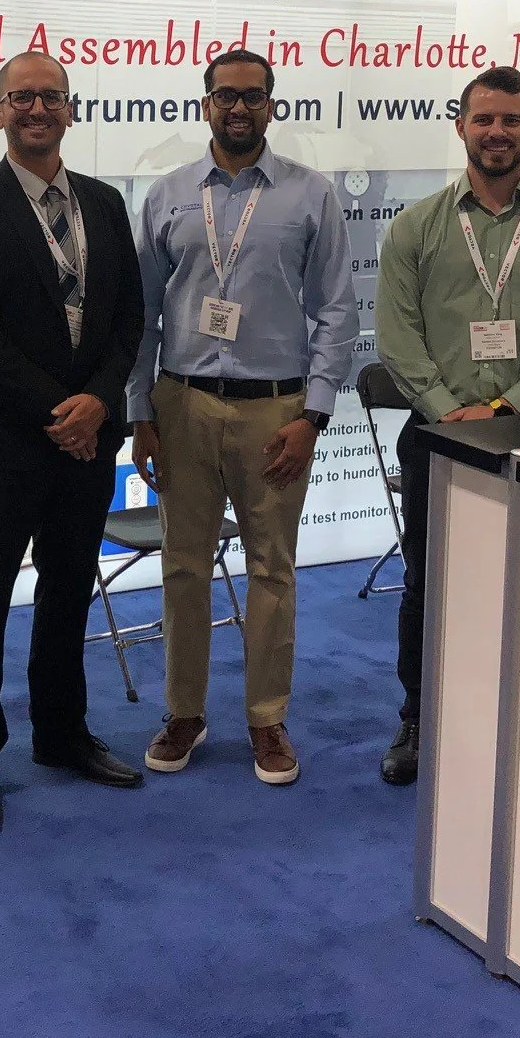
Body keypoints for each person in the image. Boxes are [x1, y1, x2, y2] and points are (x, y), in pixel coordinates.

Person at [0, 51, 148, 832]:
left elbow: (128, 317)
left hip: (88, 441)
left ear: (70, 110)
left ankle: (60, 733)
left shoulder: (104, 203)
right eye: (20, 96)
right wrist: (65, 411)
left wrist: (101, 401)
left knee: (67, 591)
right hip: (2, 441)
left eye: (50, 96)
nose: (36, 109)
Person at [373, 65, 520, 785]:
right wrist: (452, 412)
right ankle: (421, 717)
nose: (496, 132)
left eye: (510, 119)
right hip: (439, 436)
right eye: (483, 119)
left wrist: (503, 411)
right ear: (461, 127)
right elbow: (398, 337)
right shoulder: (417, 227)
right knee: (429, 581)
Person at [128, 51, 356, 785]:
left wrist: (314, 414)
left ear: (271, 106)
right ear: (205, 104)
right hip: (182, 403)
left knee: (272, 569)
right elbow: (141, 313)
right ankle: (184, 713)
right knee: (183, 566)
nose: (238, 108)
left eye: (253, 96)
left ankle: (266, 718)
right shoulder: (167, 194)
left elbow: (336, 310)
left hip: (276, 410)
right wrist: (139, 411)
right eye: (225, 95)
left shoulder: (310, 194)